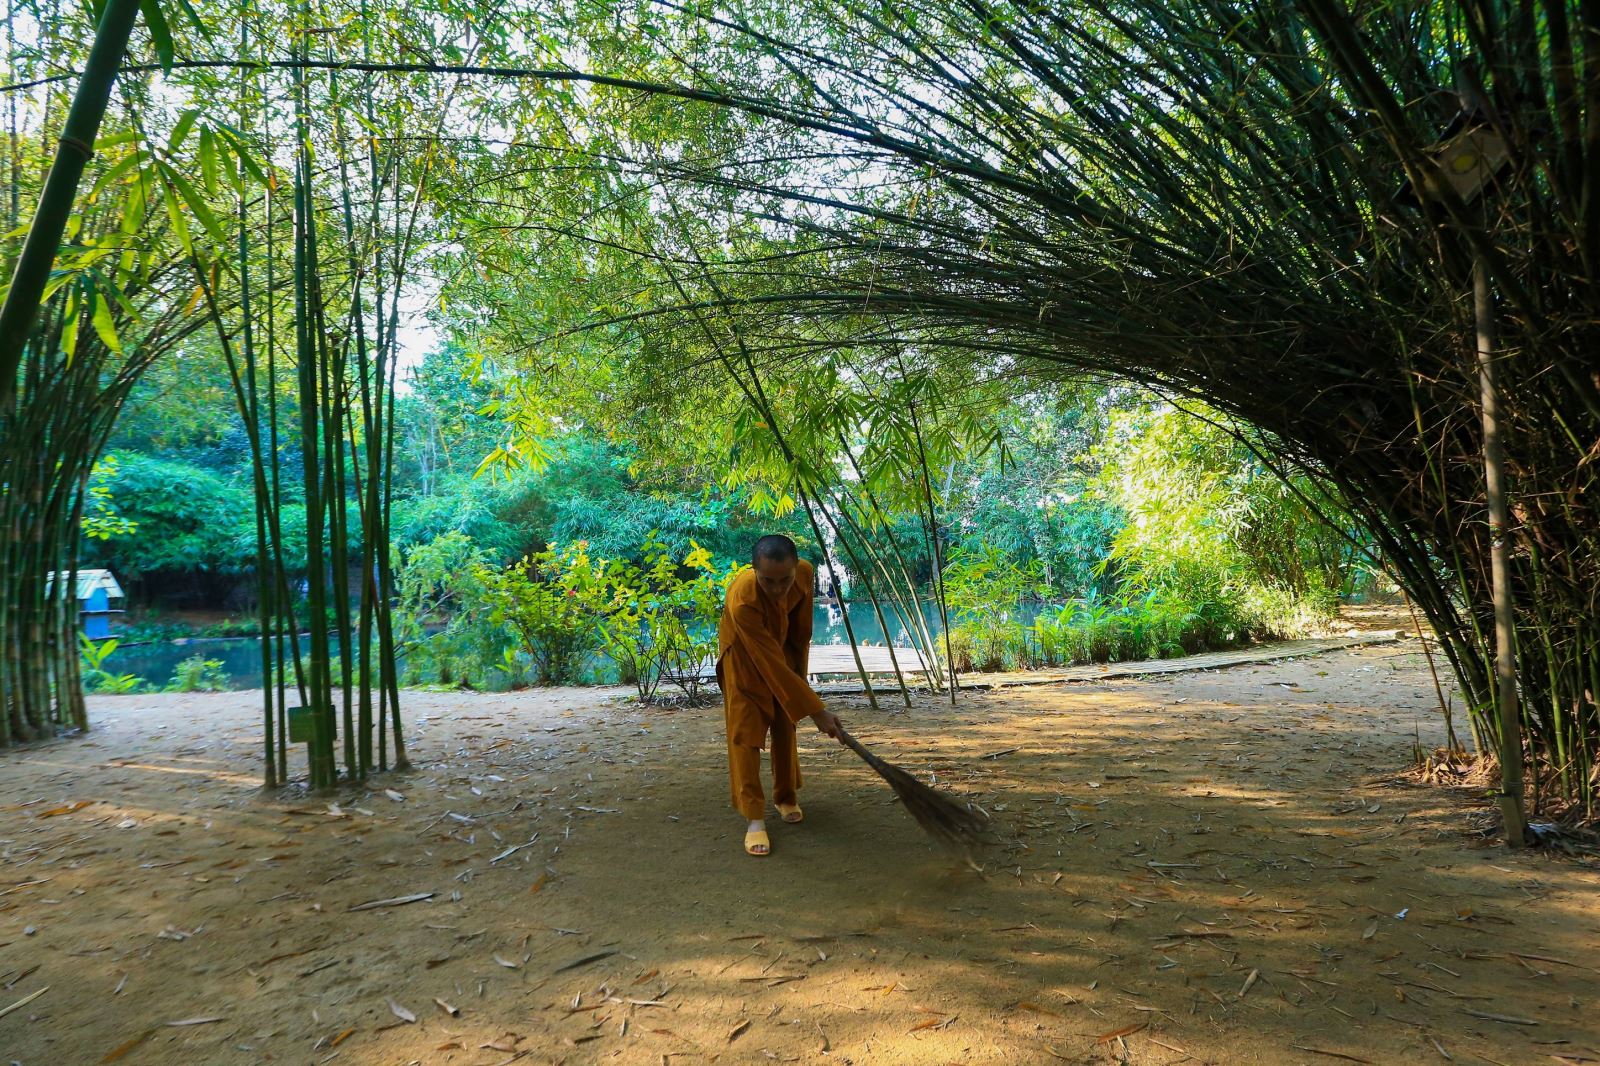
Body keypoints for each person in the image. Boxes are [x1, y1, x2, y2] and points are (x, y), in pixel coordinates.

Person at [716, 534, 844, 856]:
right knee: (746, 734)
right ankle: (754, 818)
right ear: (754, 571)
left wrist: (799, 677)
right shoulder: (744, 600)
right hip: (744, 658)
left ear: (795, 569)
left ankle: (786, 796)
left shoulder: (804, 573)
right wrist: (817, 709)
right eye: (768, 581)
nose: (777, 589)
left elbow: (801, 630)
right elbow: (765, 659)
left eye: (784, 580)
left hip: (783, 650)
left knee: (787, 722)